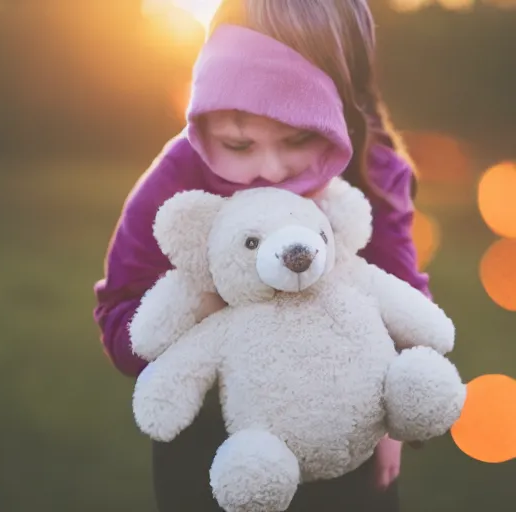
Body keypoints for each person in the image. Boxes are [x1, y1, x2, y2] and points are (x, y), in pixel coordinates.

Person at [93, 1, 430, 510]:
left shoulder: (373, 174)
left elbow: (407, 311)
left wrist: (393, 427)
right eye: (238, 143)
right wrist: (202, 310)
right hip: (213, 450)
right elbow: (121, 318)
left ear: (341, 96)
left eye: (299, 137)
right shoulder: (179, 180)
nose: (269, 169)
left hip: (349, 451)